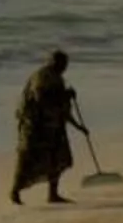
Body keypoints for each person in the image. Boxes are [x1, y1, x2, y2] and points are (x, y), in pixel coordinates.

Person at [10, 49, 88, 205]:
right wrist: (65, 95)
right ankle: (15, 191)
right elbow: (41, 98)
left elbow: (62, 109)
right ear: (53, 62)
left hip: (53, 126)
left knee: (58, 159)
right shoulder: (42, 76)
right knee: (27, 159)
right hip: (35, 127)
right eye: (62, 64)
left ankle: (53, 194)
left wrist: (78, 126)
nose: (64, 67)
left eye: (65, 65)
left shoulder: (58, 78)